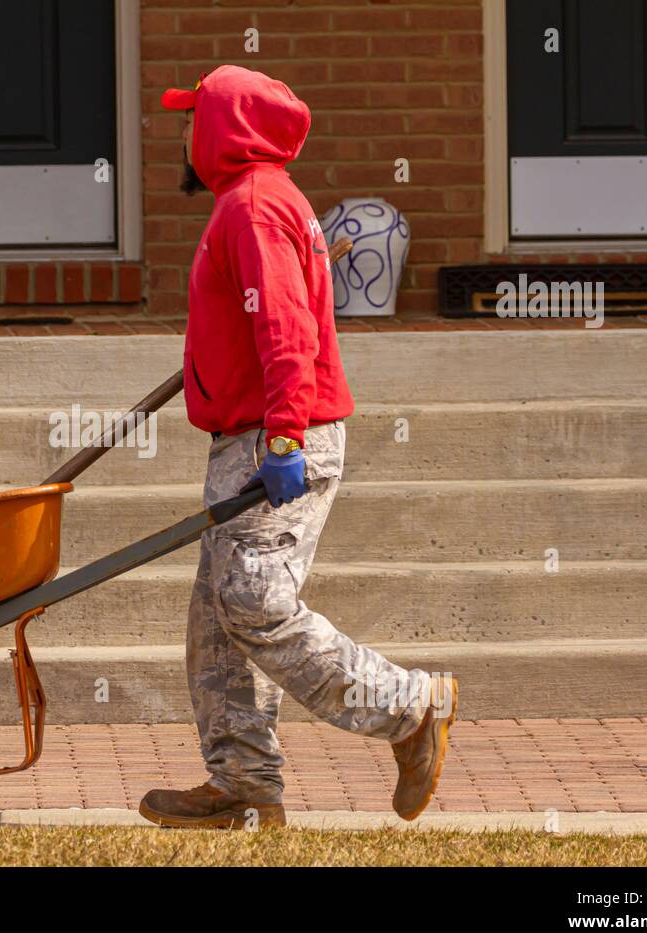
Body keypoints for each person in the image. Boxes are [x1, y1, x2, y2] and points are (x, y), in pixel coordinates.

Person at [139, 65, 457, 830]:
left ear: (225, 129)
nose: (183, 135)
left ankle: (410, 709)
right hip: (249, 434)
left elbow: (287, 330)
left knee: (253, 603)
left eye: (194, 120)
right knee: (218, 621)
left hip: (276, 437)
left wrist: (283, 432)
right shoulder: (264, 201)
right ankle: (244, 785)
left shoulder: (250, 206)